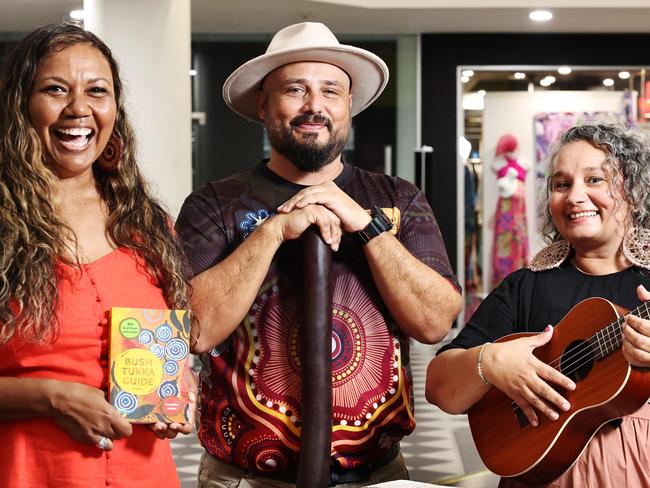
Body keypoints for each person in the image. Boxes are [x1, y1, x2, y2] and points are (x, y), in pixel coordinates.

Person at [175, 21, 461, 488]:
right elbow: (194, 330)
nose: (315, 106)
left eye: (331, 90)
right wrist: (270, 234)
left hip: (378, 475)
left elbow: (434, 322)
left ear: (349, 105)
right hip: (243, 479)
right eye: (295, 89)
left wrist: (364, 225)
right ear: (264, 105)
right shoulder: (214, 204)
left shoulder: (399, 198)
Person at [0, 23, 195, 488]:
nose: (79, 109)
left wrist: (180, 393)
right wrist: (49, 397)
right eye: (55, 89)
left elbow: (172, 351)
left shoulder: (148, 225)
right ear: (20, 104)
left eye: (97, 91)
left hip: (144, 473)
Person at [426, 123, 650, 487]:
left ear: (634, 193)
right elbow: (439, 388)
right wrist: (490, 362)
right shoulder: (525, 286)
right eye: (562, 185)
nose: (575, 196)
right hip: (537, 475)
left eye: (595, 179)